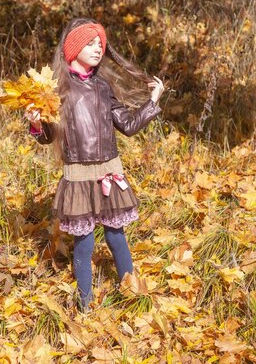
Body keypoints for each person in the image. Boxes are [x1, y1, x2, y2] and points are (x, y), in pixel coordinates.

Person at [25, 17, 166, 311]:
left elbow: (126, 124)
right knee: (84, 240)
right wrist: (37, 125)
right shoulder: (58, 89)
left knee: (116, 235)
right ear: (73, 47)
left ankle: (130, 291)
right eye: (89, 43)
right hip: (78, 176)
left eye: (100, 43)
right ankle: (85, 301)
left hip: (109, 173)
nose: (97, 48)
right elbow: (49, 136)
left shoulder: (103, 86)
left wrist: (153, 101)